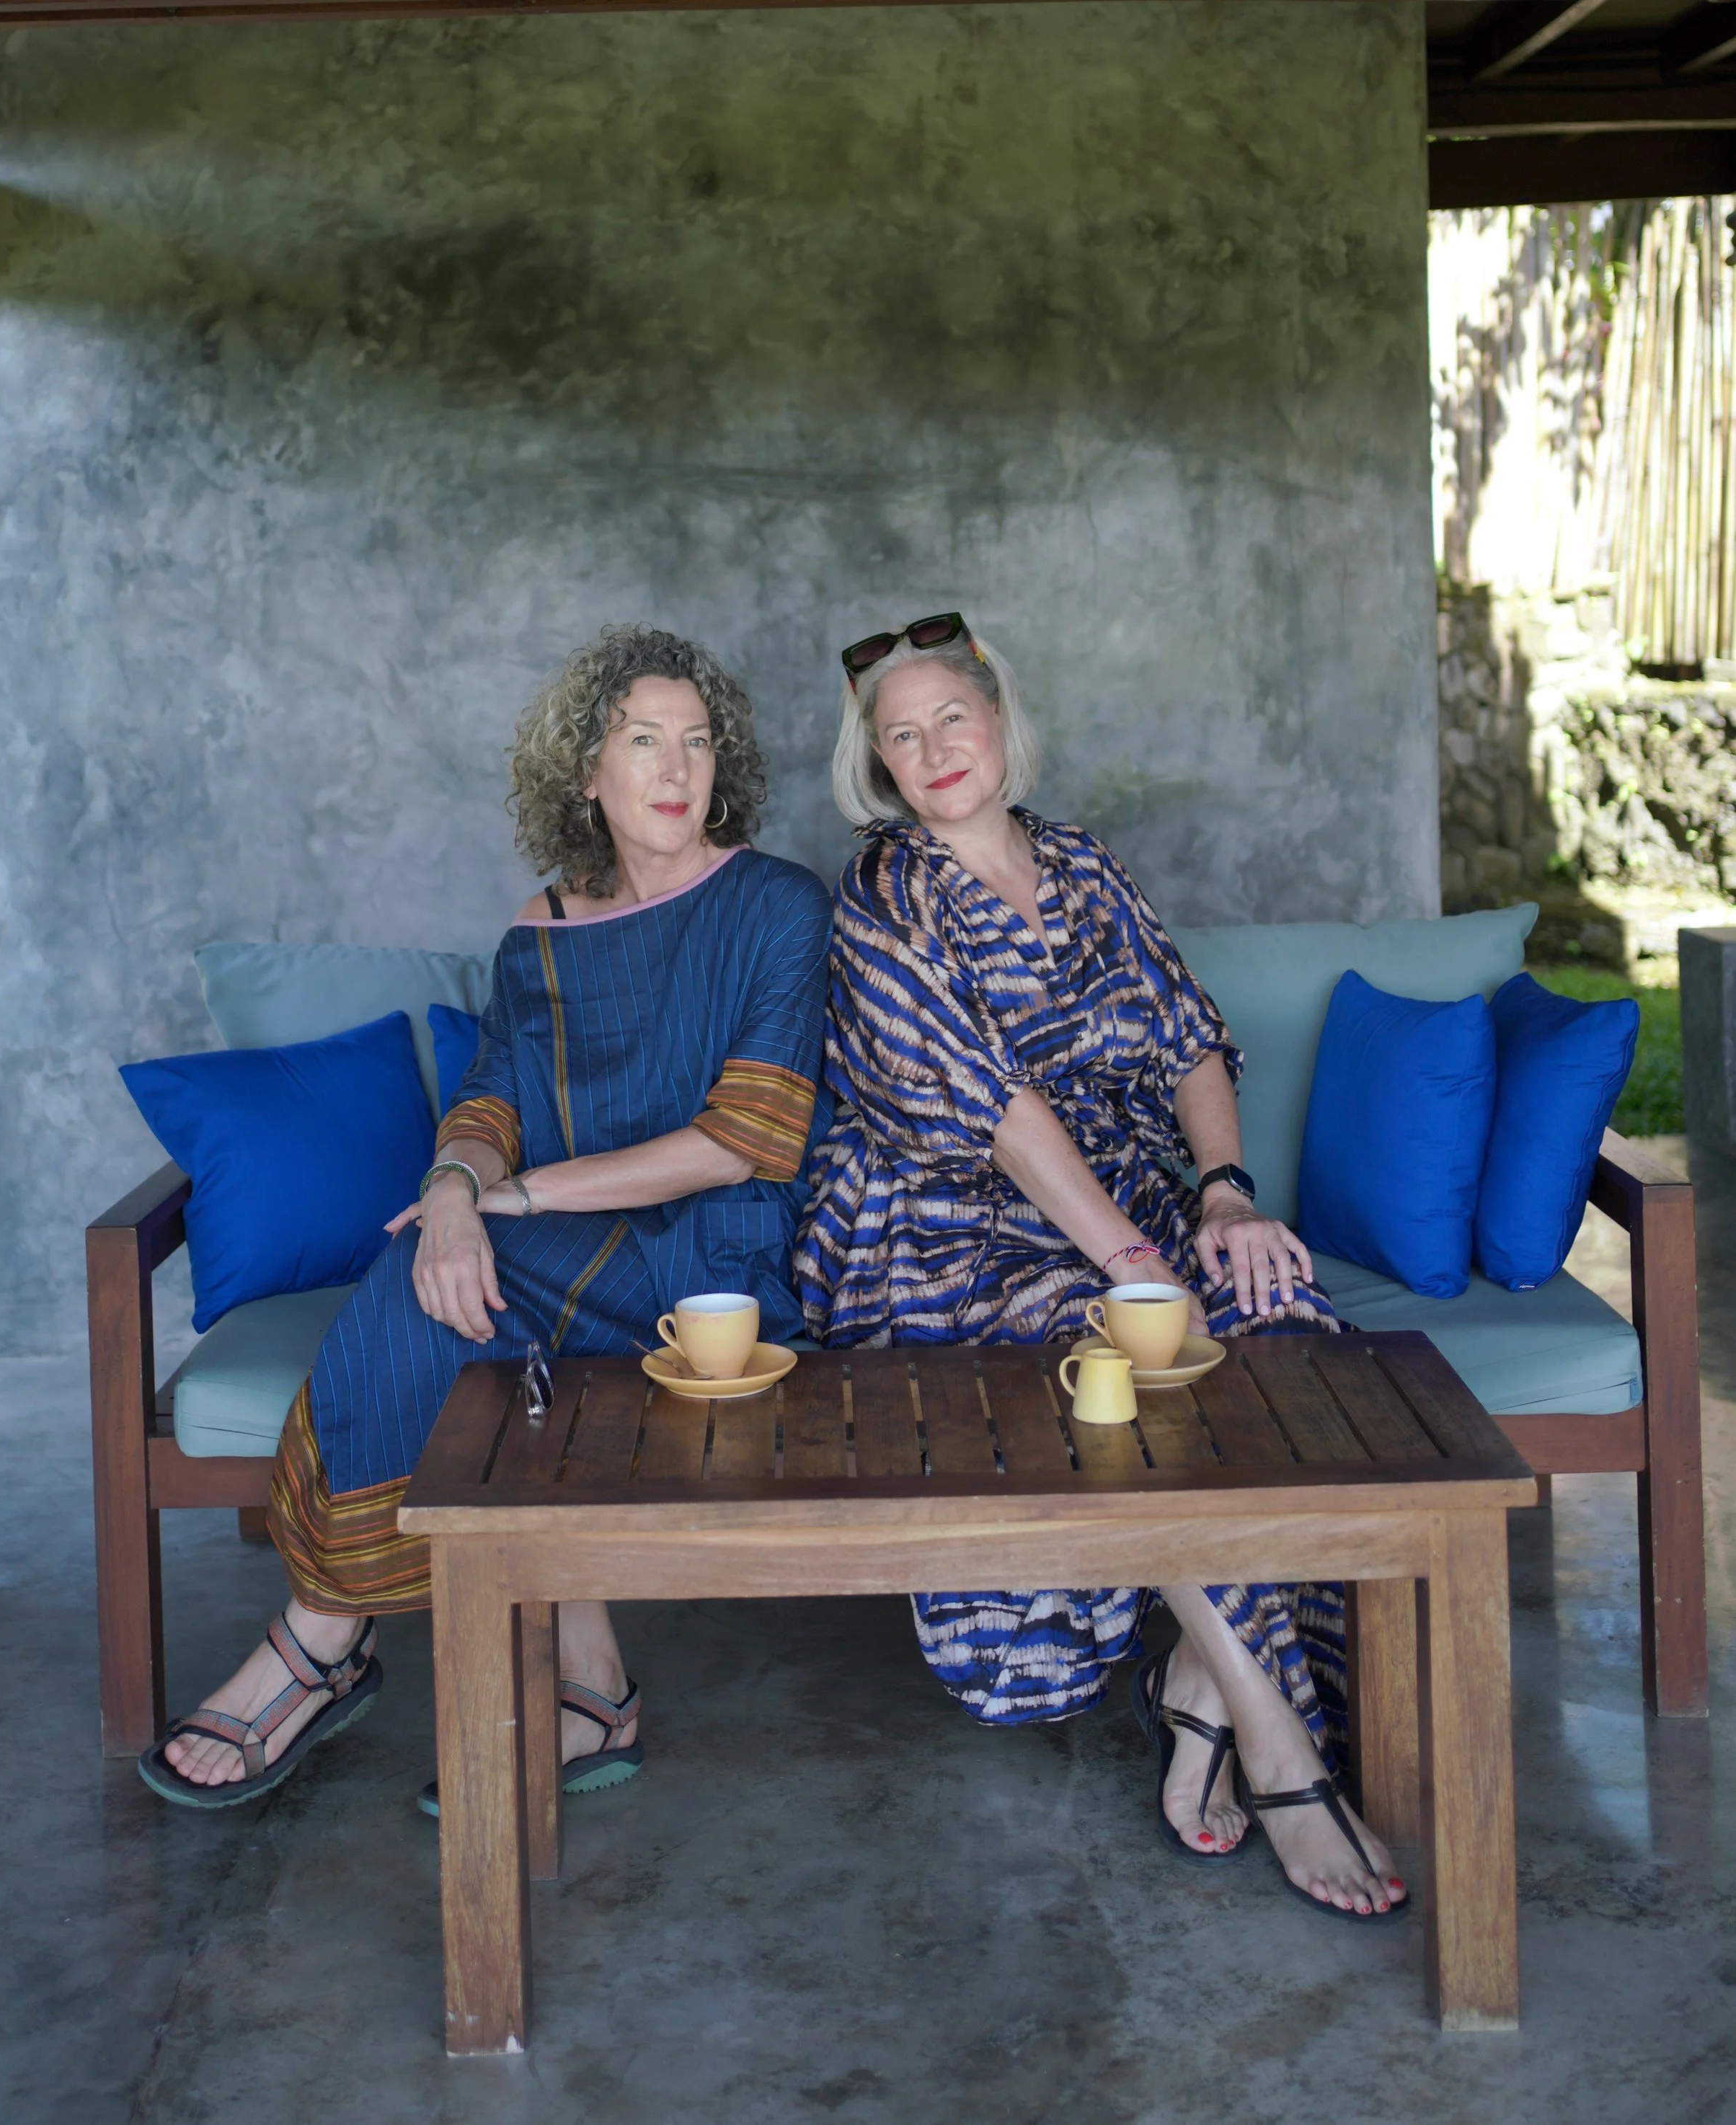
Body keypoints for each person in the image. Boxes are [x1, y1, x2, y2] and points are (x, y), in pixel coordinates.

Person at [142, 625, 831, 1808]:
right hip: (552, 1246)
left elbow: (748, 1140)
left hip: (717, 1255)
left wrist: (503, 1199)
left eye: (699, 743)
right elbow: (492, 1099)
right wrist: (456, 1191)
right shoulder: (545, 922)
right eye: (644, 740)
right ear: (587, 770)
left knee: (465, 1294)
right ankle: (591, 1689)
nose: (677, 770)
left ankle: (320, 1640)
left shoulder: (776, 904)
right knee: (443, 1274)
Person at [794, 612, 1407, 1922]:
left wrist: (1227, 1200)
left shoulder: (1084, 863)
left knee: (1287, 1325)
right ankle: (1276, 1739)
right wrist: (1139, 1265)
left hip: (1121, 1204)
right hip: (942, 1237)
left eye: (951, 717)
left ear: (1002, 719)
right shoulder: (885, 896)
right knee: (1134, 1359)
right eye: (899, 736)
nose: (931, 748)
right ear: (880, 767)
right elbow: (996, 1113)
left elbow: (1188, 1037)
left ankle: (1204, 1671)